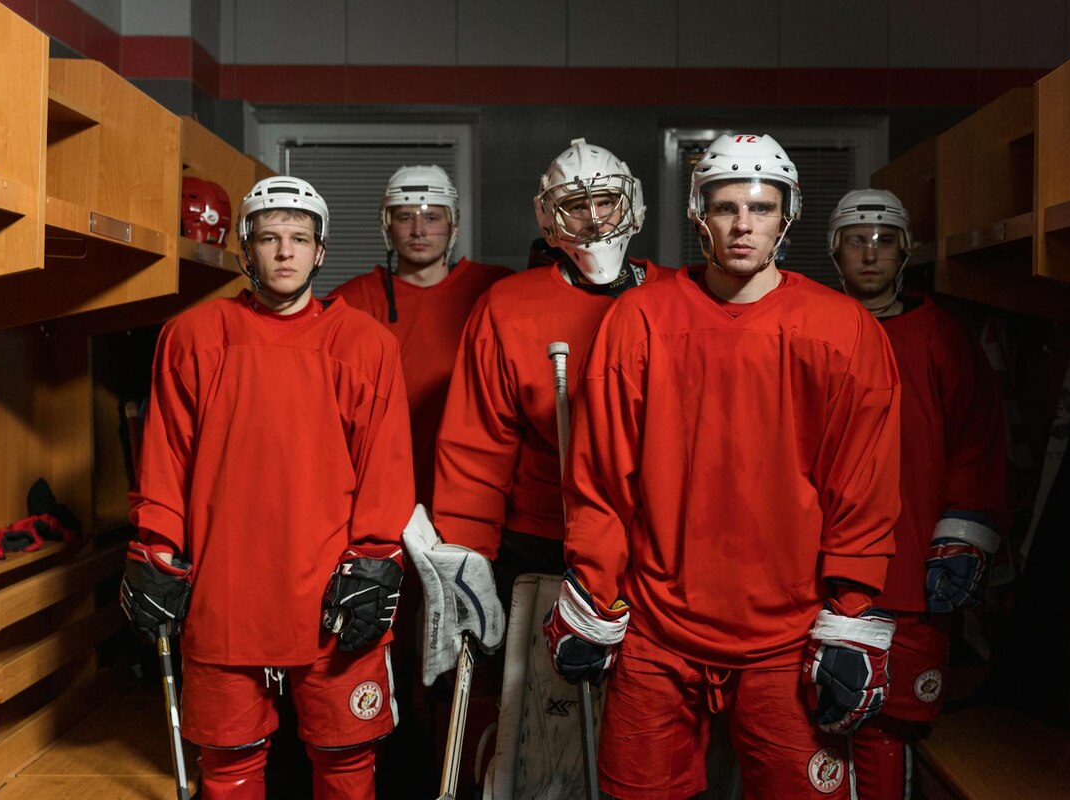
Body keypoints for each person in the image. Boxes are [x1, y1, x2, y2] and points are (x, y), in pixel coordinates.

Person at [543, 133, 903, 799]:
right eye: (726, 206)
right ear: (697, 215)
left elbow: (865, 488)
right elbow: (601, 480)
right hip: (657, 629)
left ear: (787, 216)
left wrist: (851, 614)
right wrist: (593, 591)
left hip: (789, 636)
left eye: (761, 208)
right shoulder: (639, 320)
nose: (743, 224)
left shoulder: (845, 331)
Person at [120, 176, 416, 800]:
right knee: (227, 767)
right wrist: (153, 544)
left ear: (321, 252)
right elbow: (166, 457)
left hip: (333, 588)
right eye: (270, 238)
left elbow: (385, 468)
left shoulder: (366, 345)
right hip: (224, 589)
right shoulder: (193, 336)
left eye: (300, 239)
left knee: (346, 761)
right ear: (245, 250)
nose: (285, 252)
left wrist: (376, 558)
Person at [827, 188, 1007, 799]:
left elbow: (976, 439)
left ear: (906, 249)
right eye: (857, 240)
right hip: (819, 572)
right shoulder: (811, 326)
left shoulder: (941, 336)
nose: (870, 254)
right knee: (810, 728)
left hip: (908, 574)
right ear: (835, 249)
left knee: (888, 728)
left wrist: (962, 529)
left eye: (884, 240)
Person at [432, 137, 668, 605]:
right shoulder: (507, 306)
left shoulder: (680, 300)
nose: (596, 220)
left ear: (632, 204)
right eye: (577, 206)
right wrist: (466, 566)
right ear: (549, 217)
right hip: (543, 540)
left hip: (658, 539)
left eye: (606, 202)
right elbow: (475, 452)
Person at [331, 165, 512, 511]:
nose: (418, 229)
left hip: (472, 482)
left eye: (431, 217)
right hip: (380, 478)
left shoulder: (496, 291)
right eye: (405, 217)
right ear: (388, 225)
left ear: (453, 225)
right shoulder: (352, 300)